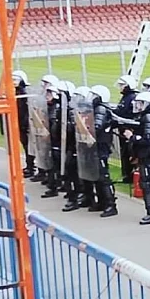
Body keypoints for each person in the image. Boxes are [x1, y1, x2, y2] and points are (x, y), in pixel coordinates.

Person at [123, 91, 150, 225]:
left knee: (147, 184)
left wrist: (132, 137)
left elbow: (147, 139)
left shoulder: (149, 118)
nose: (138, 106)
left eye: (140, 103)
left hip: (149, 155)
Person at [89, 85, 118, 218]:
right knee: (97, 176)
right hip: (96, 146)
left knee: (103, 177)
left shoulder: (101, 109)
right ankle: (101, 202)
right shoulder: (95, 109)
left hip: (101, 147)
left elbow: (97, 126)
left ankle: (111, 204)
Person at [32, 74, 60, 183]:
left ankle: (55, 181)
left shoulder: (56, 107)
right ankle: (50, 178)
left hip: (54, 139)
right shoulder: (45, 103)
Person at [61, 83, 83, 212]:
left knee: (76, 175)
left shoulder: (78, 113)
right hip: (70, 147)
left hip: (77, 149)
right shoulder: (68, 111)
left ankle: (77, 197)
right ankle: (73, 197)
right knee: (69, 173)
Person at [114, 75, 139, 183]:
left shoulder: (131, 98)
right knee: (124, 153)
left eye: (122, 85)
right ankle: (126, 175)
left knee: (129, 153)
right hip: (123, 130)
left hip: (129, 130)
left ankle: (130, 175)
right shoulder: (126, 98)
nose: (120, 87)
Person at [13, 70, 35, 177]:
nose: (13, 82)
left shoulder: (24, 94)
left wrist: (25, 123)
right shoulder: (16, 93)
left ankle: (31, 167)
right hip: (20, 123)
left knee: (28, 146)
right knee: (26, 146)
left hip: (25, 125)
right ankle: (29, 166)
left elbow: (27, 110)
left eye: (15, 79)